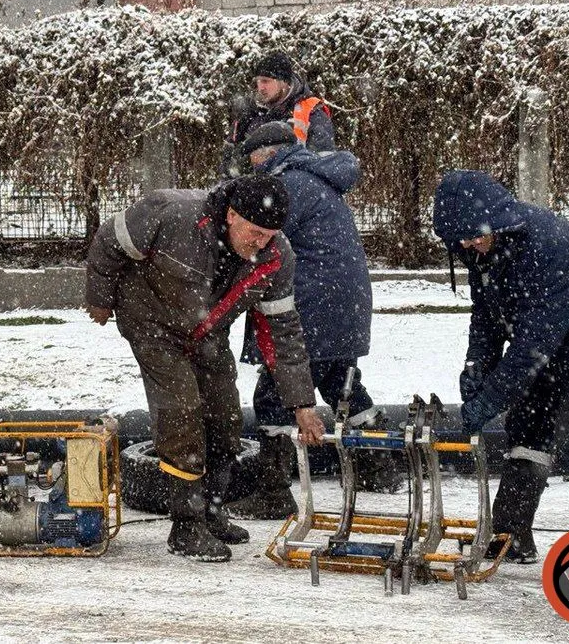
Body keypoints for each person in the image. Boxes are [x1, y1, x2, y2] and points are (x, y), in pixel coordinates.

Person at [86, 173, 322, 562]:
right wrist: (100, 298)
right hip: (151, 322)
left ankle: (212, 510)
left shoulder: (276, 256)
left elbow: (282, 332)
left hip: (206, 331)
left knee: (226, 414)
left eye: (270, 234)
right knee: (183, 409)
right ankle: (186, 525)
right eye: (255, 232)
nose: (260, 243)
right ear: (231, 215)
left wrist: (302, 403)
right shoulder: (171, 214)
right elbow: (109, 242)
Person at [433, 170, 569, 563]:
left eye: (474, 235)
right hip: (548, 343)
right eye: (460, 238)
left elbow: (532, 346)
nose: (468, 244)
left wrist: (490, 398)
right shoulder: (481, 247)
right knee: (527, 429)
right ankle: (510, 538)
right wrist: (477, 368)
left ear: (496, 220)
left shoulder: (547, 247)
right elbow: (488, 317)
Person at [227, 123, 398, 520]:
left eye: (252, 158)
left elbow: (259, 244)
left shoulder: (287, 187)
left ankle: (272, 492)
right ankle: (380, 468)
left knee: (274, 392)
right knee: (342, 383)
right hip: (341, 302)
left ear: (266, 154)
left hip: (311, 302)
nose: (251, 167)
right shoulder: (315, 179)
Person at [220, 50, 335, 179]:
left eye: (266, 81)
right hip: (250, 193)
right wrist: (247, 162)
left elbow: (325, 166)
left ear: (283, 82)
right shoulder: (248, 113)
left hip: (294, 192)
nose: (260, 88)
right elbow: (227, 165)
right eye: (258, 81)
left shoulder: (311, 112)